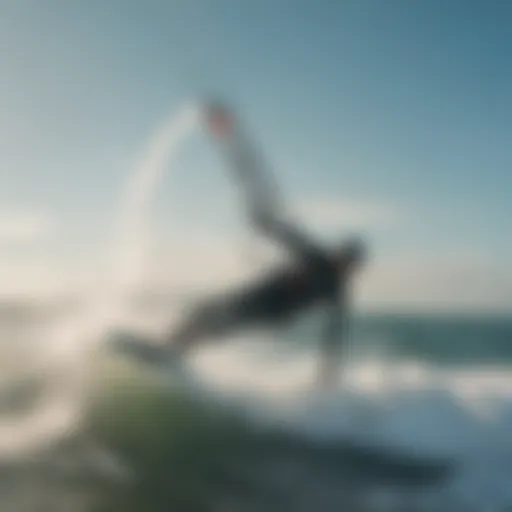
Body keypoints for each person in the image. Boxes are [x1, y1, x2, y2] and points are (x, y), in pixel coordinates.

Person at [165, 208, 367, 387]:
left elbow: (335, 333)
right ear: (339, 254)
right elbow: (292, 238)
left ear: (350, 267)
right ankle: (172, 349)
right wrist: (268, 223)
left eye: (348, 263)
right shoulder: (322, 266)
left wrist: (327, 371)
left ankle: (170, 351)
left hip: (269, 308)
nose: (343, 264)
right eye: (343, 257)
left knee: (213, 320)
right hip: (265, 298)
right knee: (208, 316)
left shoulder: (334, 288)